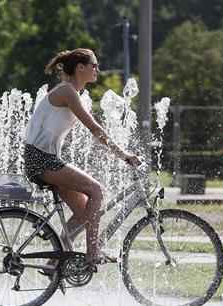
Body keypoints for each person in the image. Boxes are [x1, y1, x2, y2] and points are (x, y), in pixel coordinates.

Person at [24, 49, 141, 265]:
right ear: (80, 67)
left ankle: (54, 266)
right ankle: (92, 252)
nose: (97, 69)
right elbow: (94, 128)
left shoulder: (70, 92)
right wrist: (123, 154)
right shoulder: (67, 91)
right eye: (94, 65)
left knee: (84, 212)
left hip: (44, 158)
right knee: (95, 190)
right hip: (41, 158)